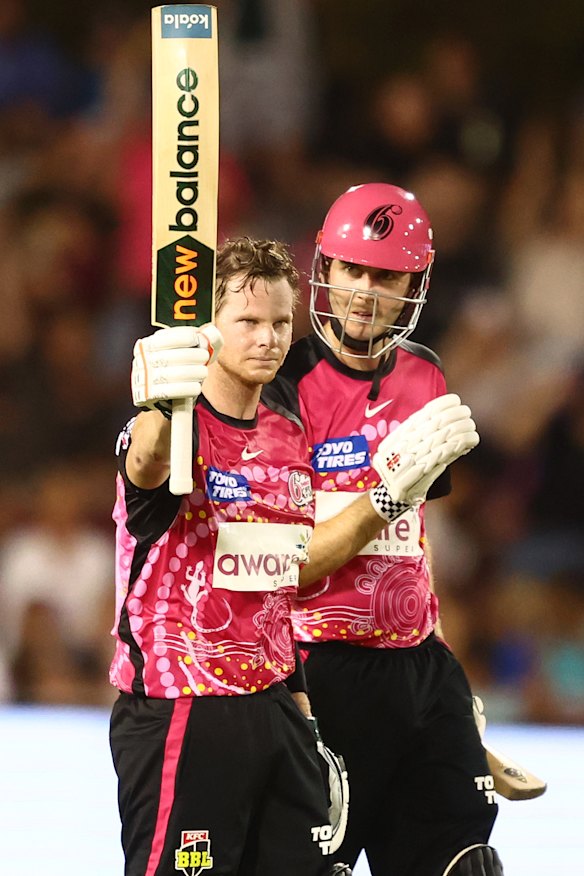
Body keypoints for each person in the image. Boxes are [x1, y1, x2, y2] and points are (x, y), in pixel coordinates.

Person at [109, 236, 477, 876]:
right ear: (208, 330)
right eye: (246, 322)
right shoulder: (177, 428)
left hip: (278, 706)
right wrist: (157, 404)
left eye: (281, 322)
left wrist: (303, 716)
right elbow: (143, 462)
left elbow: (287, 577)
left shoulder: (288, 437)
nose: (268, 339)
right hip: (185, 706)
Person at [262, 183, 504, 876]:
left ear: (415, 283)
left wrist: (448, 670)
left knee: (467, 863)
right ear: (325, 270)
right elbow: (288, 562)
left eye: (386, 275)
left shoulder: (425, 375)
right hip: (319, 669)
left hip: (420, 669)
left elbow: (415, 548)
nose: (366, 291)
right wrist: (383, 497)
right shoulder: (283, 384)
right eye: (352, 270)